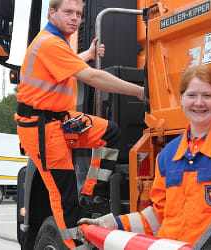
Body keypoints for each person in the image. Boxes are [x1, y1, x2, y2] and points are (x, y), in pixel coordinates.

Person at [78, 65, 211, 250]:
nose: (199, 103)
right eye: (191, 95)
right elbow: (157, 216)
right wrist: (112, 225)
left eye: (207, 95)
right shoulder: (168, 156)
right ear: (181, 100)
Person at [15, 0, 144, 249]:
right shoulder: (50, 43)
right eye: (68, 12)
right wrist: (140, 91)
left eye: (78, 14)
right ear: (52, 13)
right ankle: (76, 244)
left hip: (60, 120)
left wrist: (88, 55)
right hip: (42, 128)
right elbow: (93, 77)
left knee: (110, 133)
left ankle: (92, 196)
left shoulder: (55, 42)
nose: (74, 18)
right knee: (64, 197)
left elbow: (67, 65)